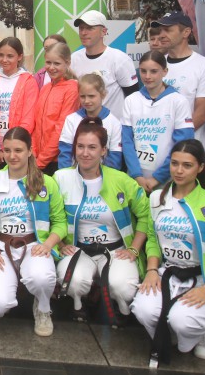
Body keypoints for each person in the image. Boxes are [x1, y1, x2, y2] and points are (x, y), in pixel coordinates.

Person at [133, 139, 205, 365]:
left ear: (201, 168)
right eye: (174, 163)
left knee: (183, 321)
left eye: (187, 165)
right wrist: (151, 270)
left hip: (201, 276)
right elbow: (152, 239)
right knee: (143, 310)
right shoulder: (157, 198)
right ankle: (171, 330)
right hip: (168, 273)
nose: (179, 171)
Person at [0, 126, 64, 335]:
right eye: (7, 150)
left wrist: (48, 245)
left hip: (34, 245)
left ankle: (43, 308)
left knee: (41, 278)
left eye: (18, 150)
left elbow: (60, 222)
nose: (12, 156)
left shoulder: (46, 182)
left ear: (30, 151)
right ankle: (6, 286)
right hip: (0, 247)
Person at [54, 120, 146, 318]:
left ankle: (121, 308)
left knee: (122, 287)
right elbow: (50, 217)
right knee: (74, 282)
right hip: (78, 250)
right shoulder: (60, 178)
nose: (85, 153)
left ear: (104, 150)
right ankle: (79, 304)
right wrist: (60, 244)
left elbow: (146, 215)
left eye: (92, 147)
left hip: (115, 251)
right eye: (80, 146)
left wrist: (134, 248)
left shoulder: (121, 180)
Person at [122, 50, 194, 194]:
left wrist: (158, 177)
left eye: (154, 71)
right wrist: (137, 175)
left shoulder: (178, 101)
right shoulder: (131, 100)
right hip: (136, 180)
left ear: (165, 71)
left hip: (168, 180)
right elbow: (127, 141)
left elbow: (182, 144)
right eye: (143, 71)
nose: (147, 76)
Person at [152, 12, 205, 146]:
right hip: (156, 146)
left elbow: (201, 114)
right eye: (160, 30)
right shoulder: (156, 64)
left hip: (188, 147)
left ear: (186, 32)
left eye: (168, 30)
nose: (161, 35)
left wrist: (174, 140)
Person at [70, 11, 139, 122]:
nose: (83, 32)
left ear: (103, 32)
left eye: (89, 28)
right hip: (84, 127)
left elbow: (133, 98)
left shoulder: (119, 59)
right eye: (81, 28)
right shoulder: (73, 59)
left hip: (114, 127)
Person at [0, 37, 38, 169]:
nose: (4, 60)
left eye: (10, 56)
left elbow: (28, 118)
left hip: (17, 150)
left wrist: (11, 148)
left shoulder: (28, 81)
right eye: (1, 55)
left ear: (19, 57)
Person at [58, 74, 125, 170]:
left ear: (103, 94)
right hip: (74, 174)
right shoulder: (71, 120)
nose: (86, 101)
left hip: (102, 176)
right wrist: (67, 174)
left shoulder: (114, 123)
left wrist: (103, 176)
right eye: (82, 96)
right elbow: (65, 152)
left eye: (91, 96)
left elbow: (115, 156)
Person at [31, 41, 79, 174]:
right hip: (38, 159)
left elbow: (61, 128)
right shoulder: (45, 88)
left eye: (57, 63)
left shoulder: (72, 88)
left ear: (67, 63)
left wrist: (41, 161)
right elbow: (36, 124)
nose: (51, 67)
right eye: (48, 62)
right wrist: (33, 153)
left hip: (59, 160)